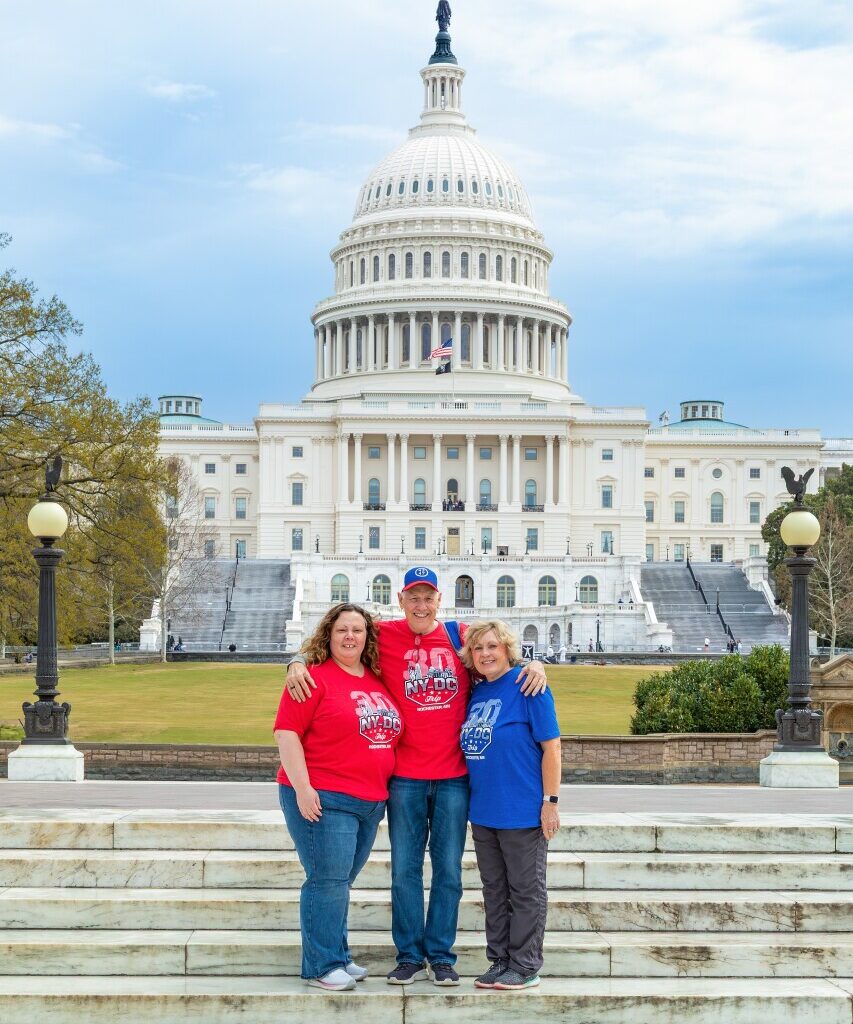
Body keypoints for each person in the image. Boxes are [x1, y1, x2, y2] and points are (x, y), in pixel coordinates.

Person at [285, 566, 547, 987]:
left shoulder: (460, 633)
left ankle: (441, 955)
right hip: (403, 777)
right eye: (413, 597)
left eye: (428, 598)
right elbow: (335, 637)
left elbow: (497, 651)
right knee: (404, 870)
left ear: (439, 600)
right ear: (401, 601)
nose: (421, 605)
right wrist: (297, 662)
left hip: (453, 776)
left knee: (447, 871)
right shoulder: (383, 634)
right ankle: (409, 954)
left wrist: (536, 664)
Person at [274, 603, 403, 992]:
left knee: (341, 881)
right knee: (326, 880)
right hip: (325, 796)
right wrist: (303, 788)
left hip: (369, 800)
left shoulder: (377, 680)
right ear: (328, 635)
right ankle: (320, 966)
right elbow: (286, 734)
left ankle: (339, 955)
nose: (350, 637)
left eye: (358, 631)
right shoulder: (311, 678)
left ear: (368, 637)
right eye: (342, 630)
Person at [459, 620, 561, 991]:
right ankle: (500, 960)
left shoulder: (528, 686)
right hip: (484, 812)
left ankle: (526, 964)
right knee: (494, 891)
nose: (485, 654)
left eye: (492, 646)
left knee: (525, 890)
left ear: (507, 649)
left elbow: (552, 747)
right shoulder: (477, 693)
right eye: (478, 648)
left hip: (521, 810)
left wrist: (550, 802)